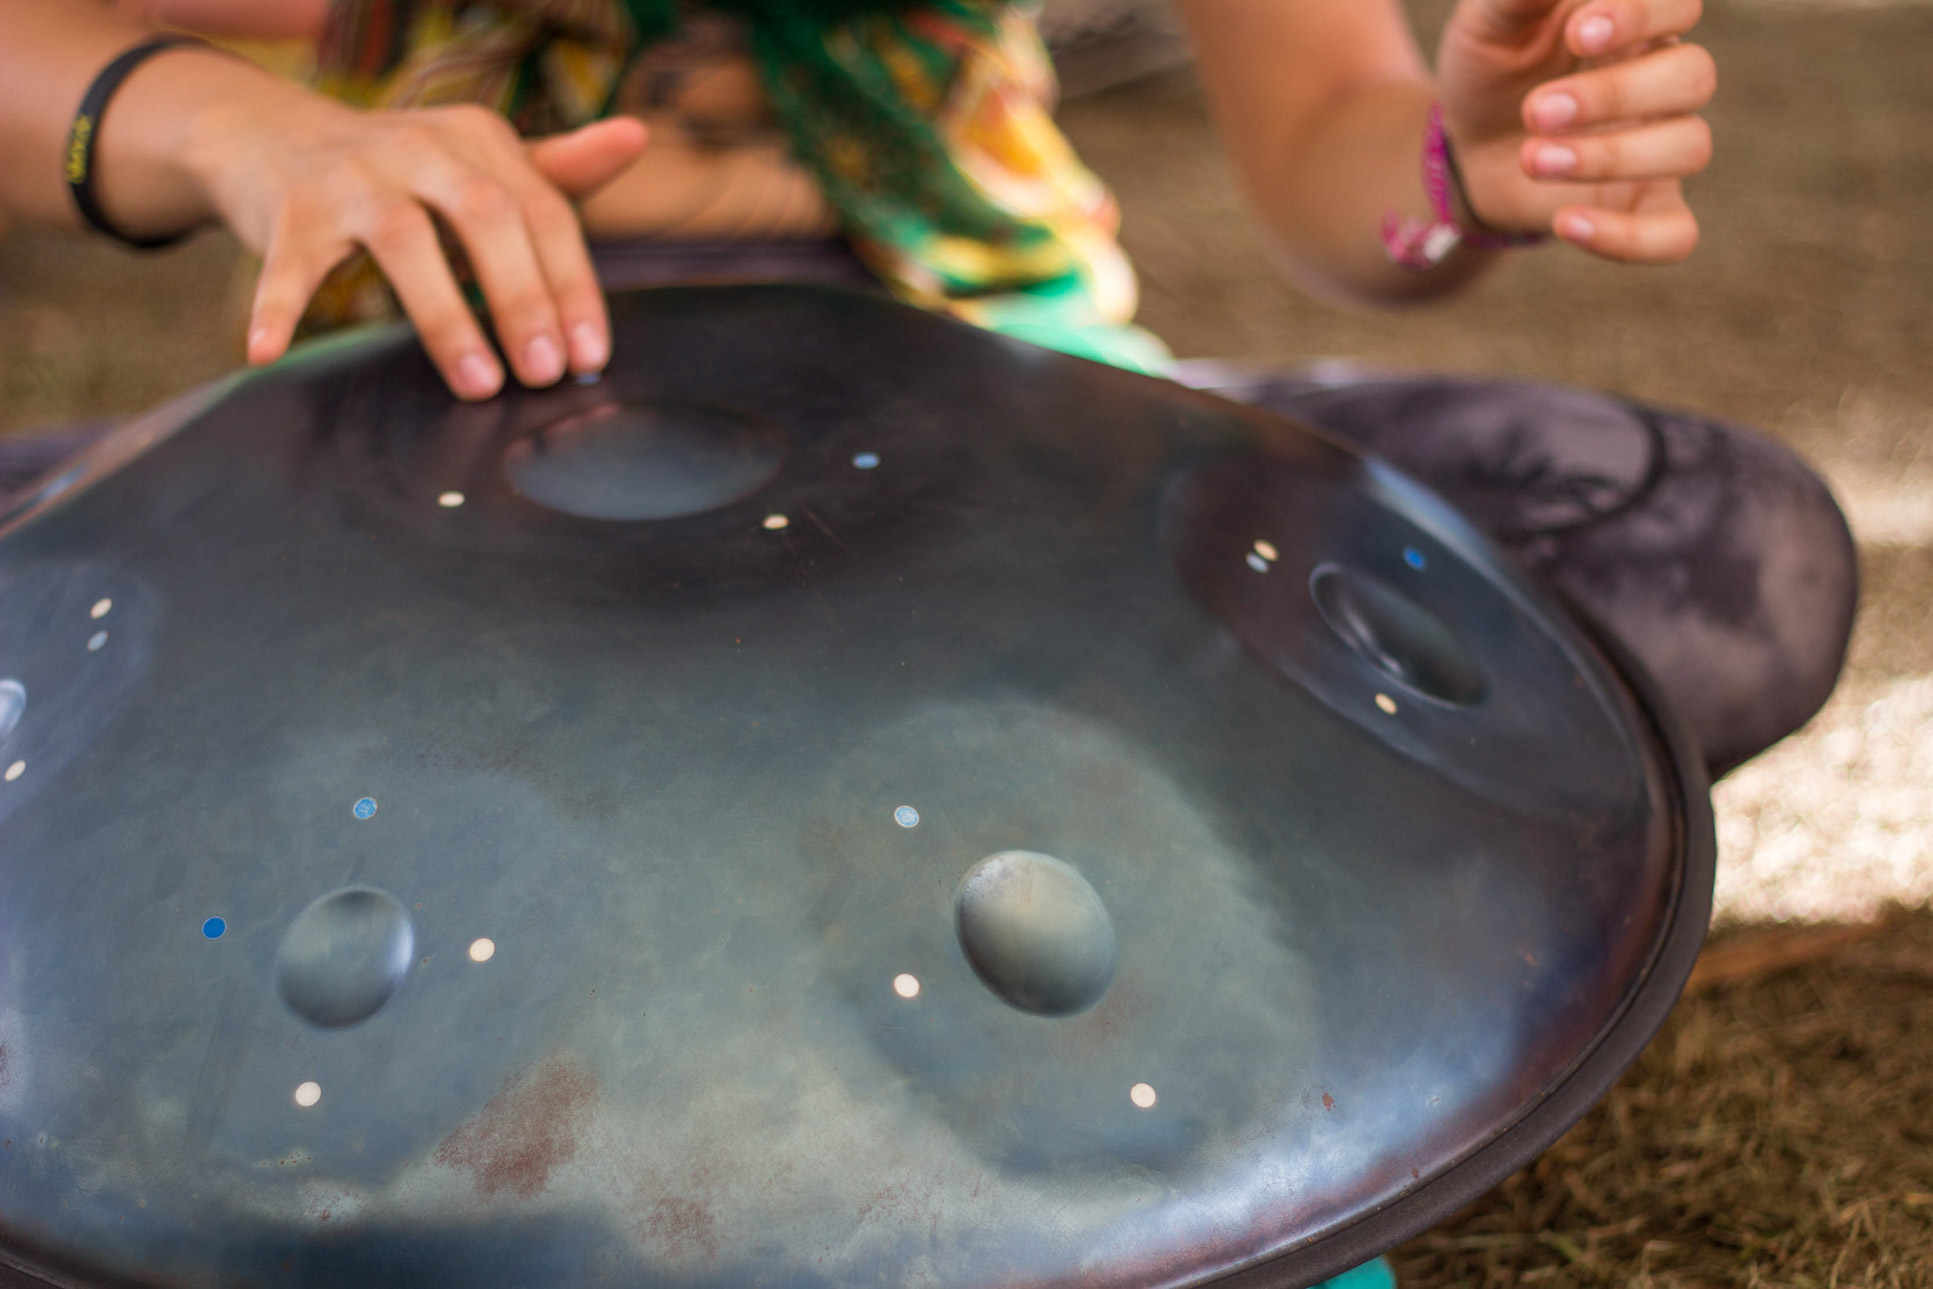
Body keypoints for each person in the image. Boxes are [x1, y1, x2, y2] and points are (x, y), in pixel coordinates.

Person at [0, 6, 1857, 1278]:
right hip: (425, 392)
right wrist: (224, 122)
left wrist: (1456, 164)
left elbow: (1332, 152)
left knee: (1715, 548)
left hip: (991, 399)